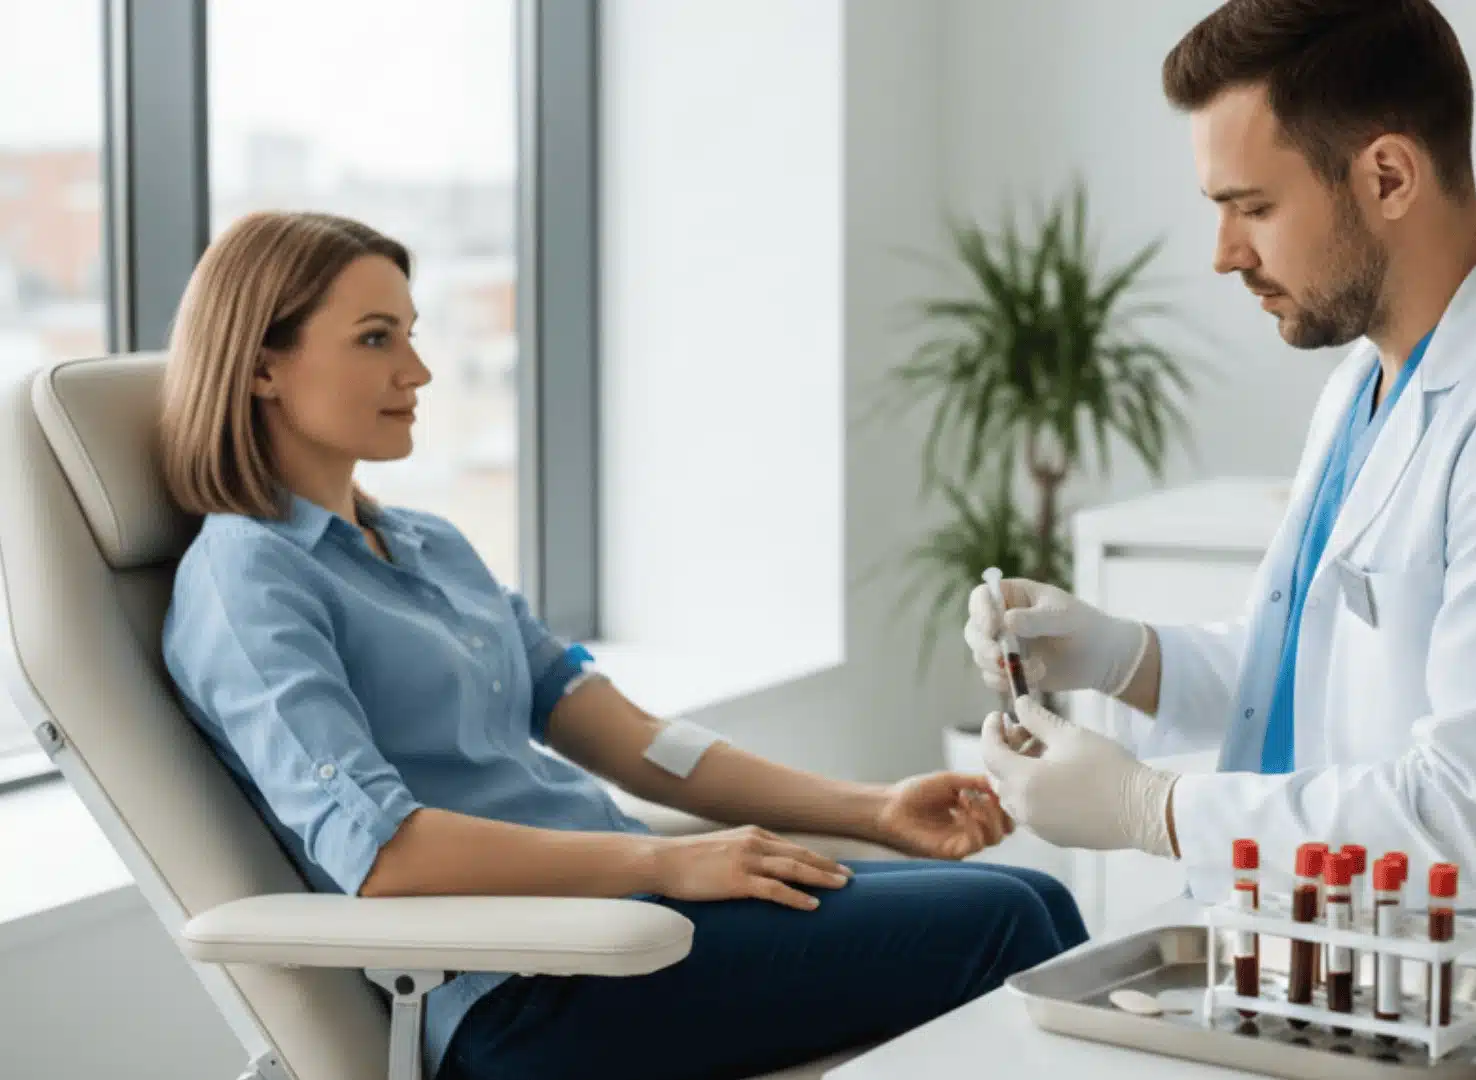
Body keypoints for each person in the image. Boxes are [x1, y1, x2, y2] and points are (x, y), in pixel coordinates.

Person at [160, 211, 1086, 1080]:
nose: (419, 370)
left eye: (410, 331)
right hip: (530, 985)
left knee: (1035, 900)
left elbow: (632, 738)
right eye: (375, 338)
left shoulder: (424, 545)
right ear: (261, 367)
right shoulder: (247, 579)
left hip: (635, 918)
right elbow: (386, 858)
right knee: (1008, 922)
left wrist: (874, 807)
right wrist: (663, 863)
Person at [969, 0, 1476, 932]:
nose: (1225, 254)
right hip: (1324, 951)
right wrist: (1120, 657)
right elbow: (1312, 670)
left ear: (1389, 176)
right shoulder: (1372, 375)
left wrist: (1151, 811)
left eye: (1255, 207)